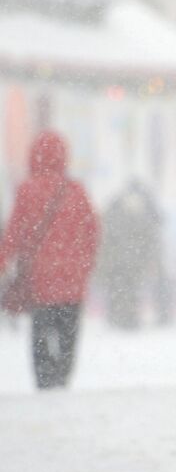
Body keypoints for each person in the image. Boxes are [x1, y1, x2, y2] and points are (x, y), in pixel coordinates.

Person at [0, 132, 100, 389]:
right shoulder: (75, 191)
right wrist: (84, 265)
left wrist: (3, 262)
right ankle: (62, 377)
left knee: (42, 332)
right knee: (68, 333)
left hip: (41, 280)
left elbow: (14, 234)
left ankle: (46, 380)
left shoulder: (28, 191)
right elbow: (92, 231)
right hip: (73, 283)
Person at [99, 179, 162, 330]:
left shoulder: (115, 211)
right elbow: (149, 239)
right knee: (129, 290)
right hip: (130, 261)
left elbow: (107, 239)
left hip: (121, 261)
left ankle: (121, 318)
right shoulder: (142, 211)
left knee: (122, 290)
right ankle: (127, 318)